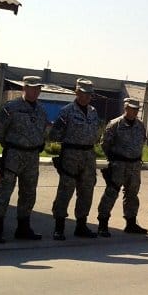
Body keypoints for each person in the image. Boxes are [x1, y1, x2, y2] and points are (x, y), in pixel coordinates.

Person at [0, 76, 49, 243]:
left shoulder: (41, 110)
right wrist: (10, 146)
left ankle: (23, 228)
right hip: (13, 155)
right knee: (4, 191)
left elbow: (43, 131)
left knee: (29, 193)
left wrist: (39, 143)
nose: (35, 91)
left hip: (32, 157)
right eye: (32, 88)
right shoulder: (11, 107)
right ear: (25, 87)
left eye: (38, 88)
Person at [49, 78, 100, 240]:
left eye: (89, 94)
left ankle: (81, 225)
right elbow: (55, 134)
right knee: (65, 190)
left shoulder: (93, 112)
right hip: (71, 155)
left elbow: (95, 132)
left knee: (86, 191)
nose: (86, 97)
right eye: (83, 93)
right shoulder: (67, 111)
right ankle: (59, 227)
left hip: (88, 156)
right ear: (77, 92)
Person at [96, 97, 147, 237]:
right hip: (119, 164)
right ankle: (103, 223)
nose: (135, 111)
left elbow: (142, 141)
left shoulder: (140, 125)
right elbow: (104, 143)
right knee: (111, 193)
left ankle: (131, 223)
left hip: (135, 165)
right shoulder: (115, 124)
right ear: (126, 108)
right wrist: (113, 159)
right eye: (132, 108)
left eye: (137, 109)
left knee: (132, 194)